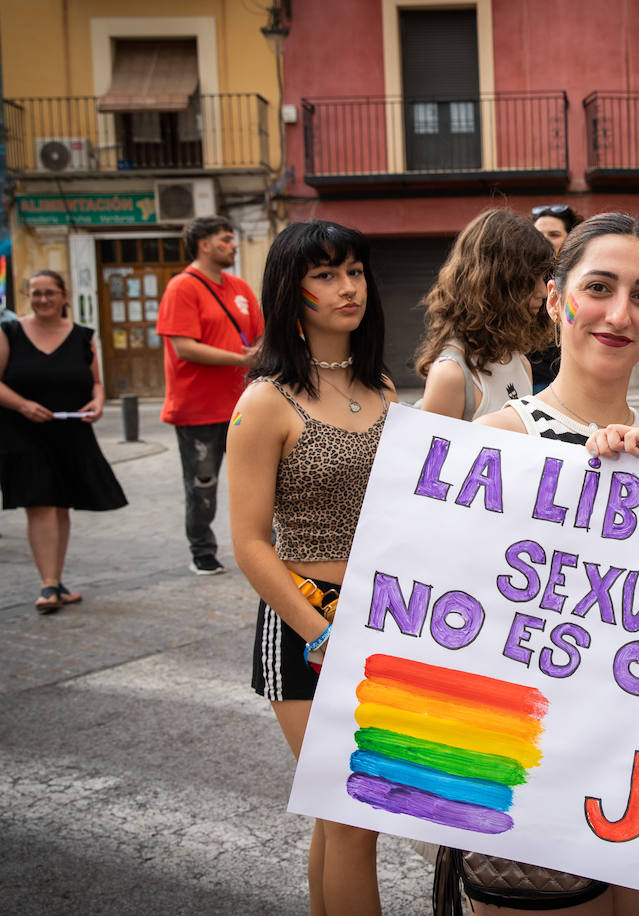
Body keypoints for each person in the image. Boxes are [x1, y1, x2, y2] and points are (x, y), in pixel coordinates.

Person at [436, 213, 639, 916]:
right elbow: (443, 613)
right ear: (555, 300)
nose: (620, 313)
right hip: (531, 772)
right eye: (599, 287)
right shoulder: (495, 442)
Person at [226, 220, 393, 915]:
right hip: (305, 625)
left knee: (345, 819)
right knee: (354, 818)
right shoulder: (266, 400)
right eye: (325, 274)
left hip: (381, 620)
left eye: (354, 270)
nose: (347, 287)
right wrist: (318, 629)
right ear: (291, 293)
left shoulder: (381, 386)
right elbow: (248, 542)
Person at [0, 269, 126, 611]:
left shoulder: (83, 336)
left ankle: (56, 579)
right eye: (36, 294)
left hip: (70, 431)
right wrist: (23, 405)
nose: (42, 300)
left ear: (64, 296)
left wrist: (97, 404)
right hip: (23, 431)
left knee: (60, 504)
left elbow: (96, 383)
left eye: (49, 293)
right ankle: (49, 585)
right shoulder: (9, 332)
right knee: (39, 502)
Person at [156, 215, 264, 576]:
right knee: (203, 484)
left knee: (260, 480)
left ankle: (266, 546)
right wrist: (240, 359)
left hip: (244, 405)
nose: (233, 245)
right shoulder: (182, 288)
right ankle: (202, 551)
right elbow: (184, 347)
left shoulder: (239, 287)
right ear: (204, 245)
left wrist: (260, 352)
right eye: (226, 239)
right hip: (197, 408)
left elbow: (260, 334)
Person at [415, 209, 555, 421]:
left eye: (542, 277)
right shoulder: (451, 375)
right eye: (530, 279)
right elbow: (431, 455)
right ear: (498, 284)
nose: (543, 292)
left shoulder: (520, 362)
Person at [528, 205, 582, 393]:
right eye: (538, 234)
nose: (544, 241)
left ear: (570, 238)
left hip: (572, 382)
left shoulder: (582, 277)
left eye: (554, 234)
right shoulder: (520, 278)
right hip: (530, 381)